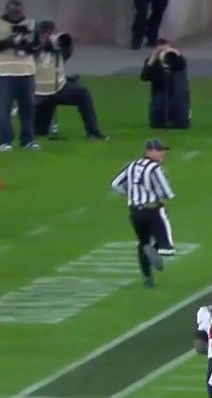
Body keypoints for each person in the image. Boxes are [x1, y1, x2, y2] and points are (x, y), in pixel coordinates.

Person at [110, 139, 178, 287]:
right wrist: (162, 197)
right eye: (159, 150)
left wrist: (131, 193)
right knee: (166, 247)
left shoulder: (132, 165)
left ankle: (147, 276)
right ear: (149, 151)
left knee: (143, 242)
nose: (162, 153)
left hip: (135, 211)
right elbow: (167, 192)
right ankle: (152, 250)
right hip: (153, 209)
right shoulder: (154, 168)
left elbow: (115, 184)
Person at [33, 20, 107, 141]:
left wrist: (62, 42)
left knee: (83, 93)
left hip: (59, 87)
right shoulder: (32, 47)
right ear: (40, 34)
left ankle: (93, 132)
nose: (51, 36)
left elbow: (67, 51)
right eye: (47, 33)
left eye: (53, 32)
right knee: (40, 131)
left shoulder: (58, 48)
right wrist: (43, 45)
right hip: (39, 93)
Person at [0, 0, 40, 152]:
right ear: (7, 11)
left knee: (28, 110)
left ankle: (27, 140)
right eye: (14, 12)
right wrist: (8, 43)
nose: (17, 16)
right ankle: (5, 141)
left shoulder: (32, 24)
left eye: (19, 12)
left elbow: (37, 47)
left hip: (26, 73)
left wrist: (25, 45)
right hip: (5, 74)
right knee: (3, 110)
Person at [141, 39, 191, 129]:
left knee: (181, 123)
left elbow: (182, 65)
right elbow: (144, 76)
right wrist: (152, 58)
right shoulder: (152, 61)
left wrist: (176, 53)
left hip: (177, 92)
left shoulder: (175, 58)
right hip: (160, 90)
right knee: (157, 123)